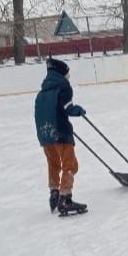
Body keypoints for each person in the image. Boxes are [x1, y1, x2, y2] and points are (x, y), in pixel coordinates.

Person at [34, 58, 88, 216]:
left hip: (45, 135)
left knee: (53, 164)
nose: (68, 77)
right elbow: (67, 108)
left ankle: (54, 192)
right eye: (67, 74)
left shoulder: (42, 93)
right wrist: (76, 110)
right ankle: (65, 198)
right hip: (60, 133)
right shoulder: (63, 87)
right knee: (70, 165)